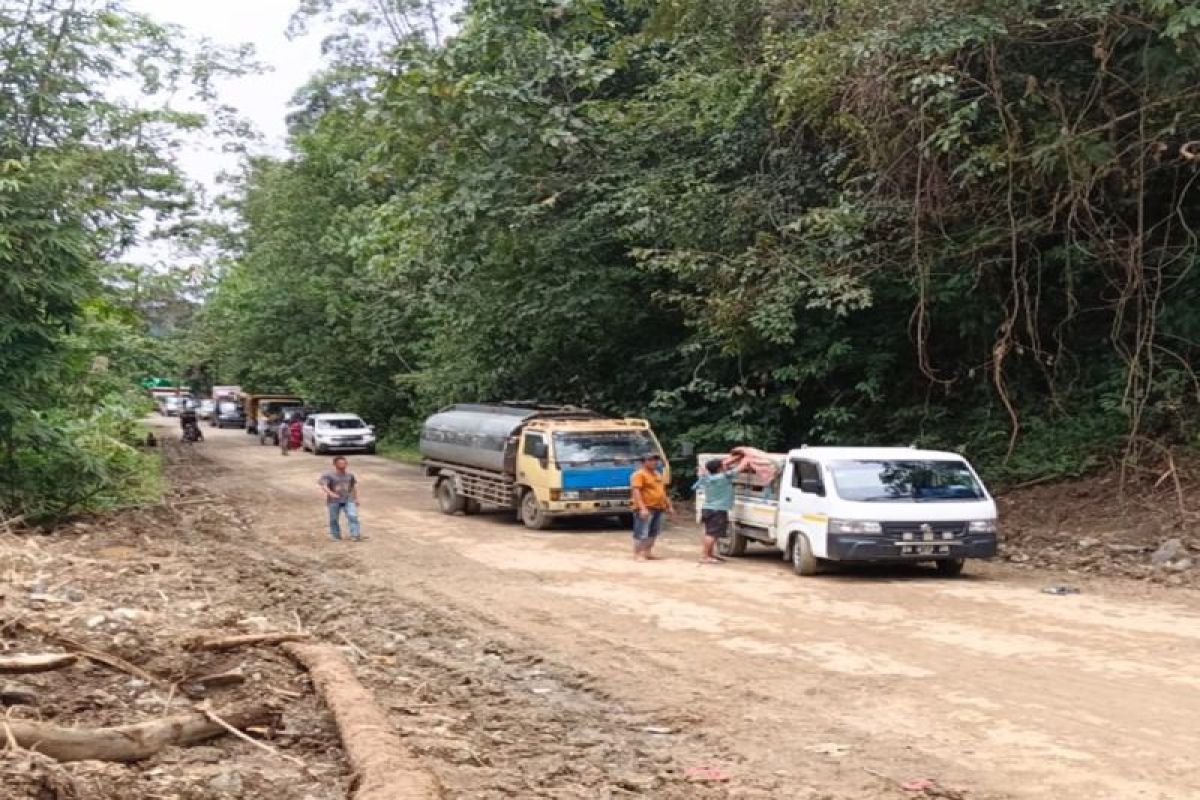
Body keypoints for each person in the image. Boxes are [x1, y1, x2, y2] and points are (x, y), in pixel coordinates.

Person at [692, 456, 742, 564]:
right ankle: (705, 556)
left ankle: (709, 554)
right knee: (712, 534)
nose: (725, 466)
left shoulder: (708, 477)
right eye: (723, 465)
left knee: (709, 532)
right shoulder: (723, 477)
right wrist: (747, 458)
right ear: (719, 469)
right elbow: (740, 468)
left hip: (707, 508)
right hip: (717, 509)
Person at [630, 453, 673, 560]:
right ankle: (637, 554)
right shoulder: (639, 474)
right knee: (641, 532)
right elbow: (636, 491)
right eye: (650, 460)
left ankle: (647, 552)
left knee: (654, 532)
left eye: (655, 460)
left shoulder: (657, 474)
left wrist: (669, 505)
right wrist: (642, 508)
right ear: (643, 462)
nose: (654, 462)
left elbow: (662, 491)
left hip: (659, 507)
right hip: (646, 507)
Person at [318, 456, 362, 542]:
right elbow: (323, 485)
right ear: (335, 464)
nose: (343, 465)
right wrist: (331, 493)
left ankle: (355, 535)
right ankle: (335, 535)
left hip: (348, 499)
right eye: (340, 463)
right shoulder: (328, 475)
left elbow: (352, 487)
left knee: (352, 515)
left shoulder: (350, 475)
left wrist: (356, 498)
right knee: (334, 518)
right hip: (334, 501)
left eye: (344, 463)